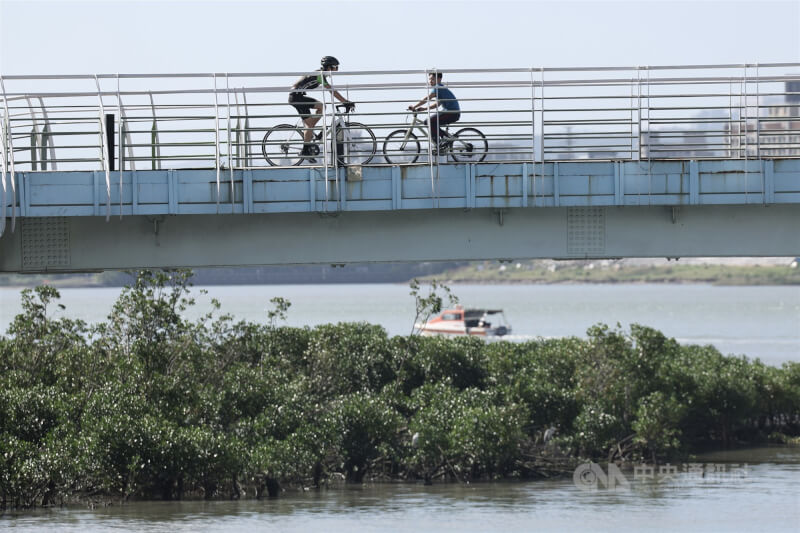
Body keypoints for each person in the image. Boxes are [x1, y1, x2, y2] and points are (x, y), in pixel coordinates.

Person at [289, 56, 354, 159]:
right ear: (329, 67)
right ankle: (305, 150)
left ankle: (312, 133)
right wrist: (345, 102)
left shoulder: (320, 74)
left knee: (320, 108)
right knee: (319, 110)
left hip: (298, 96)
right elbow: (331, 90)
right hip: (296, 98)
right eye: (335, 67)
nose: (336, 70)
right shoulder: (320, 75)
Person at [408, 71, 461, 152]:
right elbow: (437, 104)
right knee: (430, 122)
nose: (430, 81)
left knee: (428, 121)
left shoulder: (438, 87)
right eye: (429, 79)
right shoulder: (440, 88)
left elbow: (427, 98)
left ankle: (443, 140)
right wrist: (424, 109)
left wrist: (414, 106)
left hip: (451, 113)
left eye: (432, 79)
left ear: (439, 79)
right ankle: (440, 143)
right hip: (451, 112)